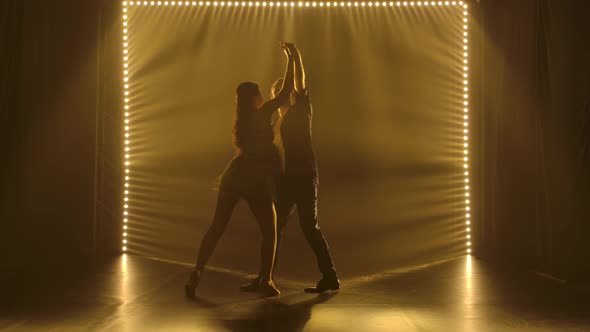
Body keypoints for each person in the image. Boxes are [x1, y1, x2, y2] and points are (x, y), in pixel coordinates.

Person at [185, 42, 295, 298]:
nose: (261, 97)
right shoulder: (262, 112)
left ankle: (197, 271)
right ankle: (266, 280)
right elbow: (286, 90)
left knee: (217, 226)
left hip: (235, 173)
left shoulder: (243, 118)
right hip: (255, 178)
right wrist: (291, 57)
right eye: (259, 93)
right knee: (270, 229)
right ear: (256, 98)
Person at [241, 44, 340, 293]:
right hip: (287, 181)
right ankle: (265, 278)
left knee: (309, 226)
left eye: (283, 92)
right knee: (274, 227)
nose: (280, 95)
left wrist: (295, 56)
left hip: (305, 178)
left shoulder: (302, 110)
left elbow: (299, 83)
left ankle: (330, 277)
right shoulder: (277, 122)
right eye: (277, 92)